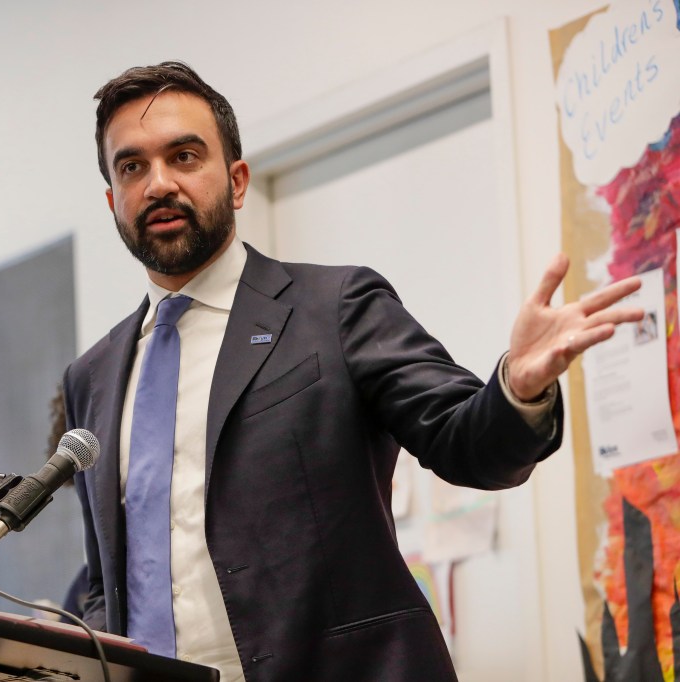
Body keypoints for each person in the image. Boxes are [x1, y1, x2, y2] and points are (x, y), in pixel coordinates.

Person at [61, 62, 643, 681]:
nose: (159, 184)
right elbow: (108, 581)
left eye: (184, 156)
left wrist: (517, 389)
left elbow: (466, 444)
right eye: (133, 167)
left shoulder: (335, 307)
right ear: (111, 200)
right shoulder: (91, 378)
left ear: (236, 181)